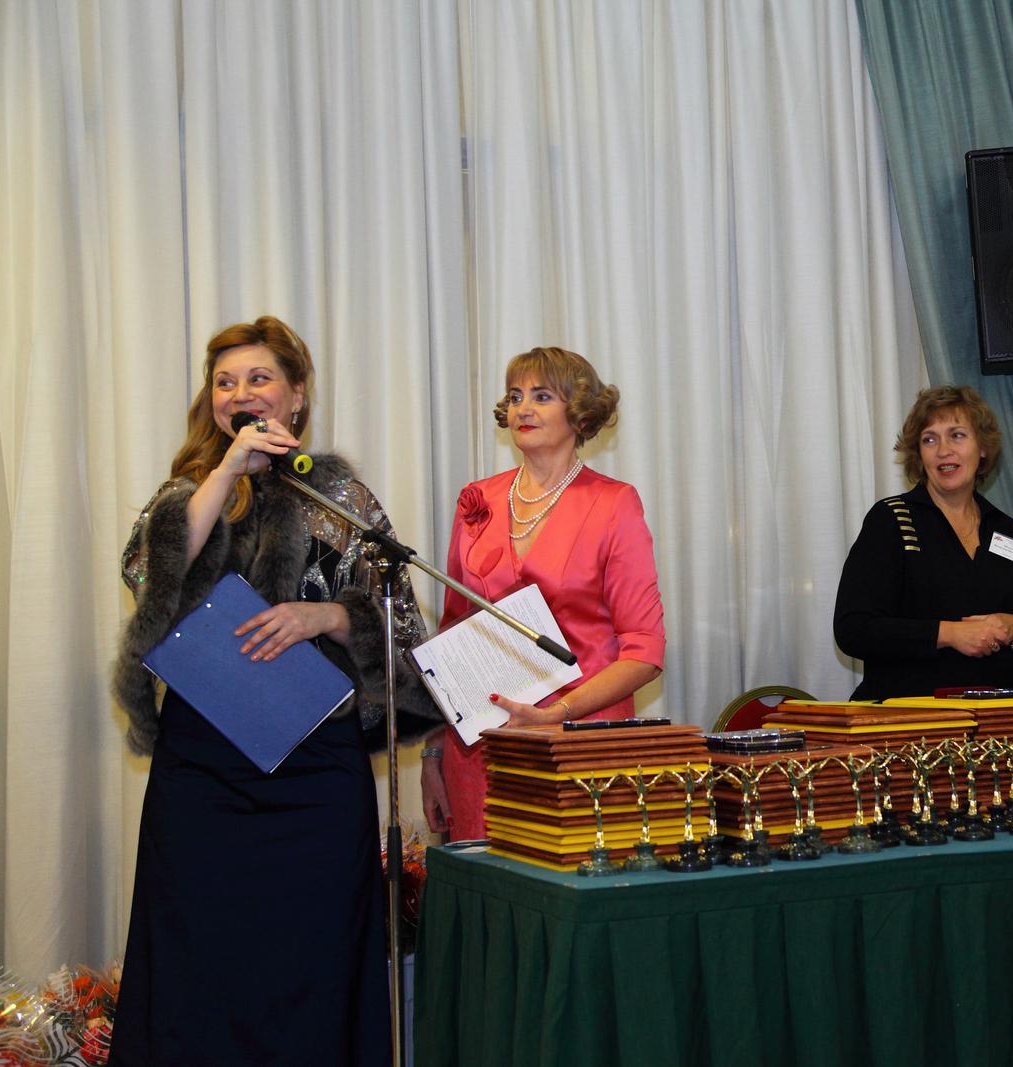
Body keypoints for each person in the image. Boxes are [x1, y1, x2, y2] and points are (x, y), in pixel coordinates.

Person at [109, 316, 439, 1065]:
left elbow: (404, 629)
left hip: (315, 771)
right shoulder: (188, 491)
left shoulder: (341, 497)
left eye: (258, 378)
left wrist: (329, 616)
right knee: (199, 961)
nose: (240, 393)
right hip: (203, 772)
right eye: (225, 382)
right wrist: (228, 470)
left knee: (314, 960)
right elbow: (147, 578)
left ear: (295, 395)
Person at [420, 347, 665, 841]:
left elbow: (645, 650)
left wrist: (558, 715)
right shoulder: (478, 500)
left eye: (542, 396)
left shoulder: (613, 503)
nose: (523, 408)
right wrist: (432, 753)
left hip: (579, 738)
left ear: (580, 412)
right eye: (515, 396)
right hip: (483, 744)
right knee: (487, 879)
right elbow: (451, 641)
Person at [833, 385, 1013, 699]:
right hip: (914, 713)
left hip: (1000, 716)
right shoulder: (892, 521)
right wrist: (948, 633)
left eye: (957, 435)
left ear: (982, 447)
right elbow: (853, 629)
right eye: (930, 439)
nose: (943, 450)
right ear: (918, 453)